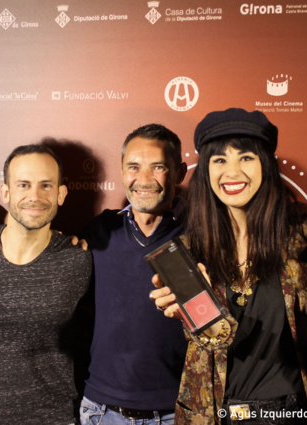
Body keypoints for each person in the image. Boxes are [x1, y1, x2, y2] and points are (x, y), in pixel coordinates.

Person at [152, 109, 307, 424]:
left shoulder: (306, 234)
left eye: (245, 158)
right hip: (218, 415)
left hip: (292, 413)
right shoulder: (189, 251)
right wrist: (198, 316)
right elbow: (220, 339)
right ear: (205, 171)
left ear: (265, 166)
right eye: (219, 160)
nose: (232, 172)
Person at [0, 144, 92, 425]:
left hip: (53, 419)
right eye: (24, 185)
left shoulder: (79, 260)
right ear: (6, 193)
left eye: (46, 186)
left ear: (61, 194)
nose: (35, 196)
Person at [78, 124, 189, 425]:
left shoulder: (201, 235)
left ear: (179, 172)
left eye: (158, 167)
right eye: (134, 167)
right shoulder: (99, 232)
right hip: (100, 411)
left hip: (177, 412)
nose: (144, 180)